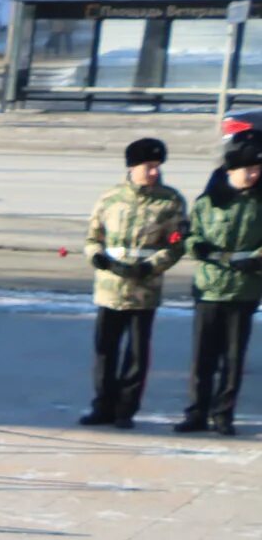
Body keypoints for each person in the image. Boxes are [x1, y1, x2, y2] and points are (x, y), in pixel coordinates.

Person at [82, 136, 189, 428]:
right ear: (131, 167)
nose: (154, 172)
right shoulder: (110, 198)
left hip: (145, 288)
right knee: (105, 351)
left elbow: (178, 244)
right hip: (110, 288)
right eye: (148, 166)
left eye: (157, 166)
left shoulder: (170, 201)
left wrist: (152, 266)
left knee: (137, 355)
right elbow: (93, 237)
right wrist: (97, 257)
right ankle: (102, 406)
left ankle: (124, 410)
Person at [178, 135, 262, 436]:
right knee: (203, 356)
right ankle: (196, 413)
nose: (253, 174)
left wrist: (256, 259)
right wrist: (195, 246)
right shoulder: (208, 201)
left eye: (257, 169)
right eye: (248, 169)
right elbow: (191, 234)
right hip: (210, 288)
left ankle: (223, 414)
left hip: (244, 288)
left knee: (233, 357)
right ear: (231, 170)